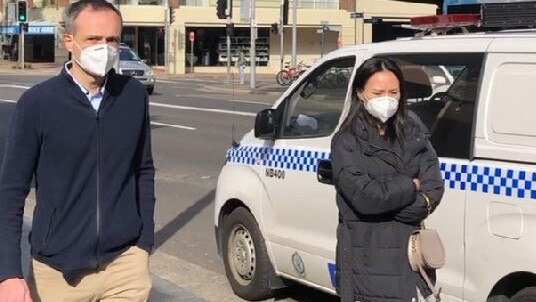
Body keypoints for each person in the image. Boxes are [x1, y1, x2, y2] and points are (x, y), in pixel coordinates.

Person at [0, 0, 155, 301]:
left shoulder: (133, 96)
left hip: (125, 267)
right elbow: (10, 191)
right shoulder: (37, 103)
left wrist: (143, 242)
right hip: (56, 273)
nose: (105, 48)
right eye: (94, 39)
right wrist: (8, 274)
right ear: (68, 40)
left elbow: (143, 170)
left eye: (112, 39)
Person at [331, 57, 444, 302]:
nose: (387, 99)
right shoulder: (346, 141)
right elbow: (367, 197)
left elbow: (433, 186)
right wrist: (409, 185)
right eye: (378, 92)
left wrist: (408, 206)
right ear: (361, 93)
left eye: (394, 92)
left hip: (411, 259)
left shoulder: (413, 133)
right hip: (368, 263)